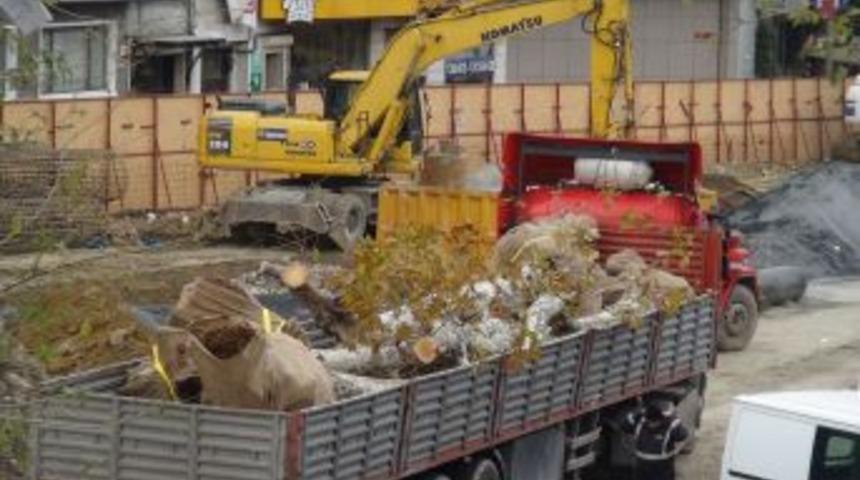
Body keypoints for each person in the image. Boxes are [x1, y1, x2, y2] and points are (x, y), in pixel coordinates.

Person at [621, 399, 690, 480]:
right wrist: (637, 414)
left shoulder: (671, 426)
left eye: (654, 422)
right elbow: (624, 425)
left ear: (661, 419)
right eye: (649, 422)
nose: (651, 425)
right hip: (642, 470)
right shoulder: (640, 423)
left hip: (662, 470)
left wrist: (677, 449)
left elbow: (684, 435)